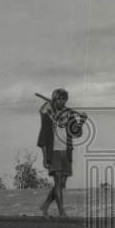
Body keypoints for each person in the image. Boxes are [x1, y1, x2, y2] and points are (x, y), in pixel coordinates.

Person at [37, 88, 82, 217]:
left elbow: (77, 133)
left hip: (66, 152)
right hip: (54, 152)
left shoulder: (69, 115)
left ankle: (45, 206)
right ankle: (61, 211)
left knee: (62, 183)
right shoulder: (48, 116)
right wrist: (45, 158)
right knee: (58, 182)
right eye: (60, 99)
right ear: (54, 100)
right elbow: (43, 138)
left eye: (64, 99)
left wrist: (82, 120)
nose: (62, 102)